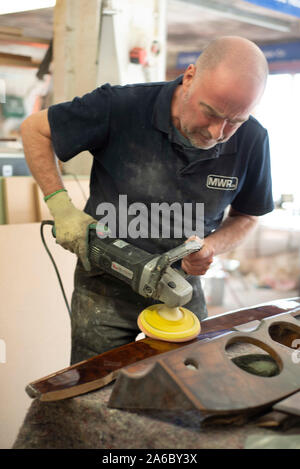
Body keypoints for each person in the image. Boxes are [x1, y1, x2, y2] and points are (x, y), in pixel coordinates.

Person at [20, 36, 273, 364]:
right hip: (104, 287)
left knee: (191, 383)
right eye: (209, 112)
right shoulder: (121, 106)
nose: (216, 132)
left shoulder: (254, 139)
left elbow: (247, 217)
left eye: (234, 122)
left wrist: (211, 246)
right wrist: (61, 206)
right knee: (96, 388)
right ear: (190, 76)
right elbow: (34, 130)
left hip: (181, 287)